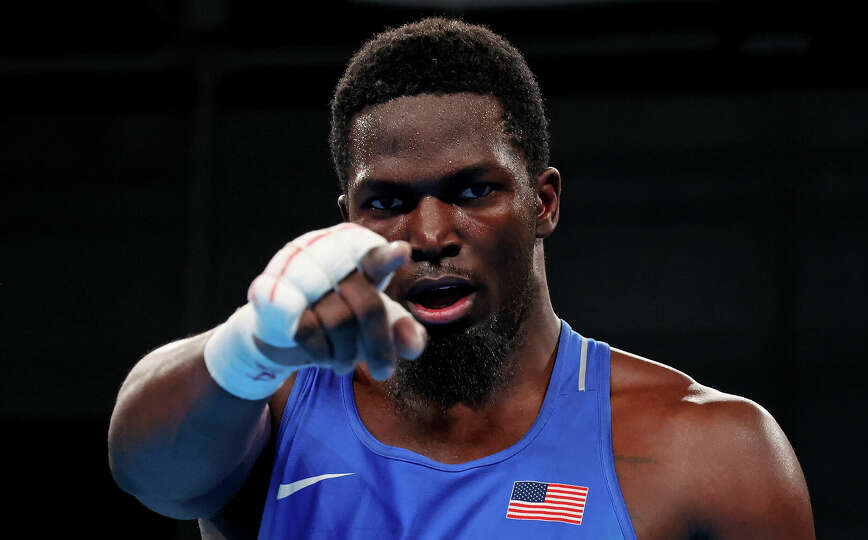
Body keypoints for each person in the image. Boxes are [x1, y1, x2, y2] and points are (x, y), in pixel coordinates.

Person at [108, 17, 815, 539]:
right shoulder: (273, 409)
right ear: (345, 219)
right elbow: (148, 475)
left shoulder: (707, 450)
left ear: (544, 202)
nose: (431, 235)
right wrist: (249, 348)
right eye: (387, 202)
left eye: (474, 191)